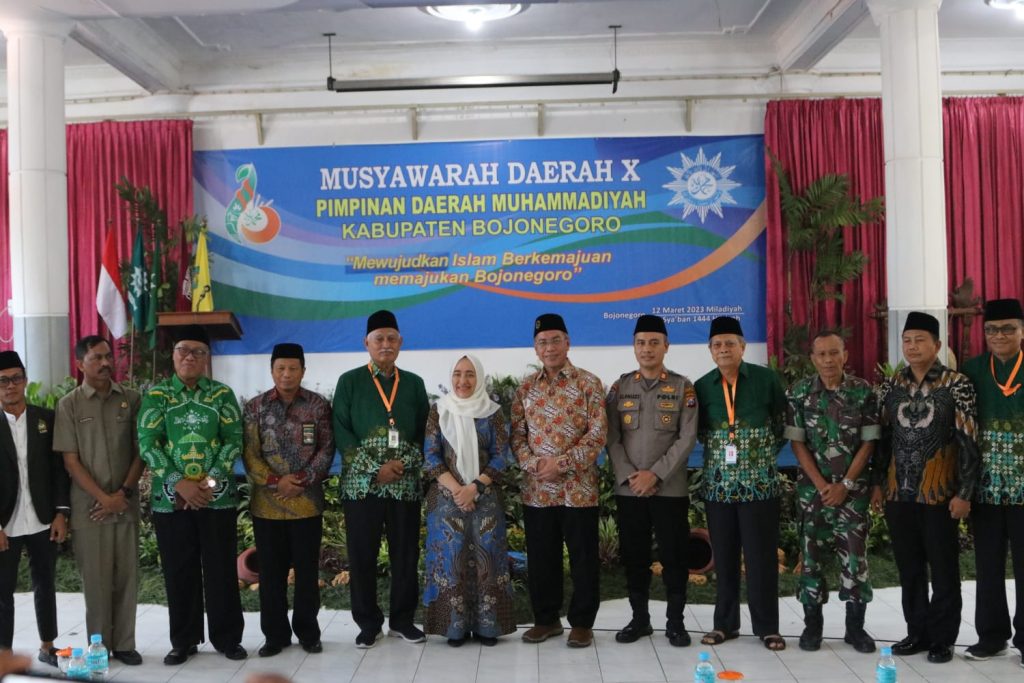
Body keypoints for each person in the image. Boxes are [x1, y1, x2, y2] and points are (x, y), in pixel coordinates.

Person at [137, 325, 247, 665]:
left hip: (217, 497)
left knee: (221, 569)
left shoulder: (222, 395)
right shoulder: (157, 397)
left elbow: (234, 440)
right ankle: (183, 641)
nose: (190, 357)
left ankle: (227, 638)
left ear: (206, 358)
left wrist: (207, 483)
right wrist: (179, 483)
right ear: (173, 355)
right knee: (178, 570)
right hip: (171, 501)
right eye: (183, 350)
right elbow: (147, 444)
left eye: (198, 352)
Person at [874, 311, 979, 664]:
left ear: (937, 345)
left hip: (939, 492)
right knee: (909, 567)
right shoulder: (891, 385)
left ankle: (943, 638)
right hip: (898, 491)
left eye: (920, 340)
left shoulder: (956, 384)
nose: (912, 346)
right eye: (907, 340)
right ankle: (917, 632)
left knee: (944, 567)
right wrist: (878, 484)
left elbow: (969, 440)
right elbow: (882, 438)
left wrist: (964, 493)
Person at [332, 310, 429, 648]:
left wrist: (402, 465)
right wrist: (376, 470)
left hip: (404, 485)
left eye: (391, 338)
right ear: (366, 343)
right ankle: (368, 623)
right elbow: (342, 432)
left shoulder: (414, 383)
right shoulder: (349, 381)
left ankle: (402, 621)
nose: (385, 344)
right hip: (362, 487)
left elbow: (424, 433)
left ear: (400, 342)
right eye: (379, 339)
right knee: (362, 556)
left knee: (406, 554)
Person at [512, 313, 607, 649]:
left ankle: (582, 623)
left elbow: (597, 434)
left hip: (578, 489)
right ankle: (546, 620)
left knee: (583, 558)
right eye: (542, 342)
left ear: (567, 343)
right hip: (537, 489)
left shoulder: (588, 383)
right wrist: (535, 464)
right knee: (542, 558)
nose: (549, 347)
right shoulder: (525, 388)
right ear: (535, 348)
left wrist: (562, 464)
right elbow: (517, 436)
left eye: (555, 340)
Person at [694, 316, 787, 651]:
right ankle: (725, 624)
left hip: (760, 487)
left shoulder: (766, 379)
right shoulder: (702, 386)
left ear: (743, 347)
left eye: (730, 343)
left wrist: (757, 456)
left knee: (761, 559)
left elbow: (781, 423)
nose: (724, 349)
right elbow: (700, 432)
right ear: (710, 350)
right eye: (717, 345)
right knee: (725, 557)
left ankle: (768, 628)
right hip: (718, 487)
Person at [605, 314, 697, 647]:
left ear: (666, 346)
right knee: (635, 557)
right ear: (634, 346)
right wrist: (632, 477)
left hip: (669, 489)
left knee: (674, 557)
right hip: (630, 490)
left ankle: (676, 623)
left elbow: (687, 437)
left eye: (654, 342)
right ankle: (639, 620)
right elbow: (611, 437)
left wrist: (655, 474)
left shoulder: (682, 387)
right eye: (641, 342)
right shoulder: (620, 388)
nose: (647, 348)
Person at [785, 331, 878, 654]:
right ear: (813, 359)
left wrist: (845, 485)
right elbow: (797, 443)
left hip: (852, 494)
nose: (828, 360)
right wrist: (822, 485)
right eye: (821, 354)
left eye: (834, 353)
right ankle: (812, 627)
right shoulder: (798, 393)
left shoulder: (863, 392)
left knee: (855, 558)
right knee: (810, 559)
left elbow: (869, 442)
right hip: (813, 494)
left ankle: (855, 629)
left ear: (845, 355)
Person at [53, 336, 144, 665]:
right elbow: (70, 461)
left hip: (125, 504)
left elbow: (141, 452)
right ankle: (100, 645)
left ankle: (125, 644)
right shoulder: (69, 405)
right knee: (96, 580)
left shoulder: (132, 399)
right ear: (80, 364)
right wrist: (105, 499)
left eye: (108, 356)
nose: (106, 363)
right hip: (89, 509)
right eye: (96, 358)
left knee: (126, 577)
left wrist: (122, 495)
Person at [243, 343, 334, 657]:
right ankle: (275, 636)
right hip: (267, 507)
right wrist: (275, 481)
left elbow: (326, 449)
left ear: (303, 371)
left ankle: (308, 633)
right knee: (271, 575)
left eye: (293, 368)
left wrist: (302, 481)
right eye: (280, 368)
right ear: (272, 371)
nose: (286, 374)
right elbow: (250, 454)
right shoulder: (255, 407)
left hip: (306, 504)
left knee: (307, 573)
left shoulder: (318, 405)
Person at [422, 354, 515, 646]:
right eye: (458, 374)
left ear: (480, 378)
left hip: (484, 497)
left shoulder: (493, 413)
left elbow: (501, 455)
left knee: (488, 560)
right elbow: (431, 456)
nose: (463, 381)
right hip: (446, 499)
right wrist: (458, 490)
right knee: (450, 560)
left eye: (470, 374)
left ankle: (488, 628)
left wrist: (474, 487)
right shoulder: (438, 410)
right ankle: (454, 627)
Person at [960, 298, 1024, 663]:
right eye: (992, 330)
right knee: (987, 565)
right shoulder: (972, 370)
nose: (999, 336)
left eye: (1008, 329)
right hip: (985, 486)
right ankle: (991, 636)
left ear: (1021, 332)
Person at [0, 351, 69, 668]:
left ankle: (47, 646)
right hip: (6, 524)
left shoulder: (46, 419)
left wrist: (61, 513)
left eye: (16, 378)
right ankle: (4, 655)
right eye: (3, 381)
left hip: (43, 517)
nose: (10, 386)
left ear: (25, 380)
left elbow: (59, 470)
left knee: (46, 584)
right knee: (3, 592)